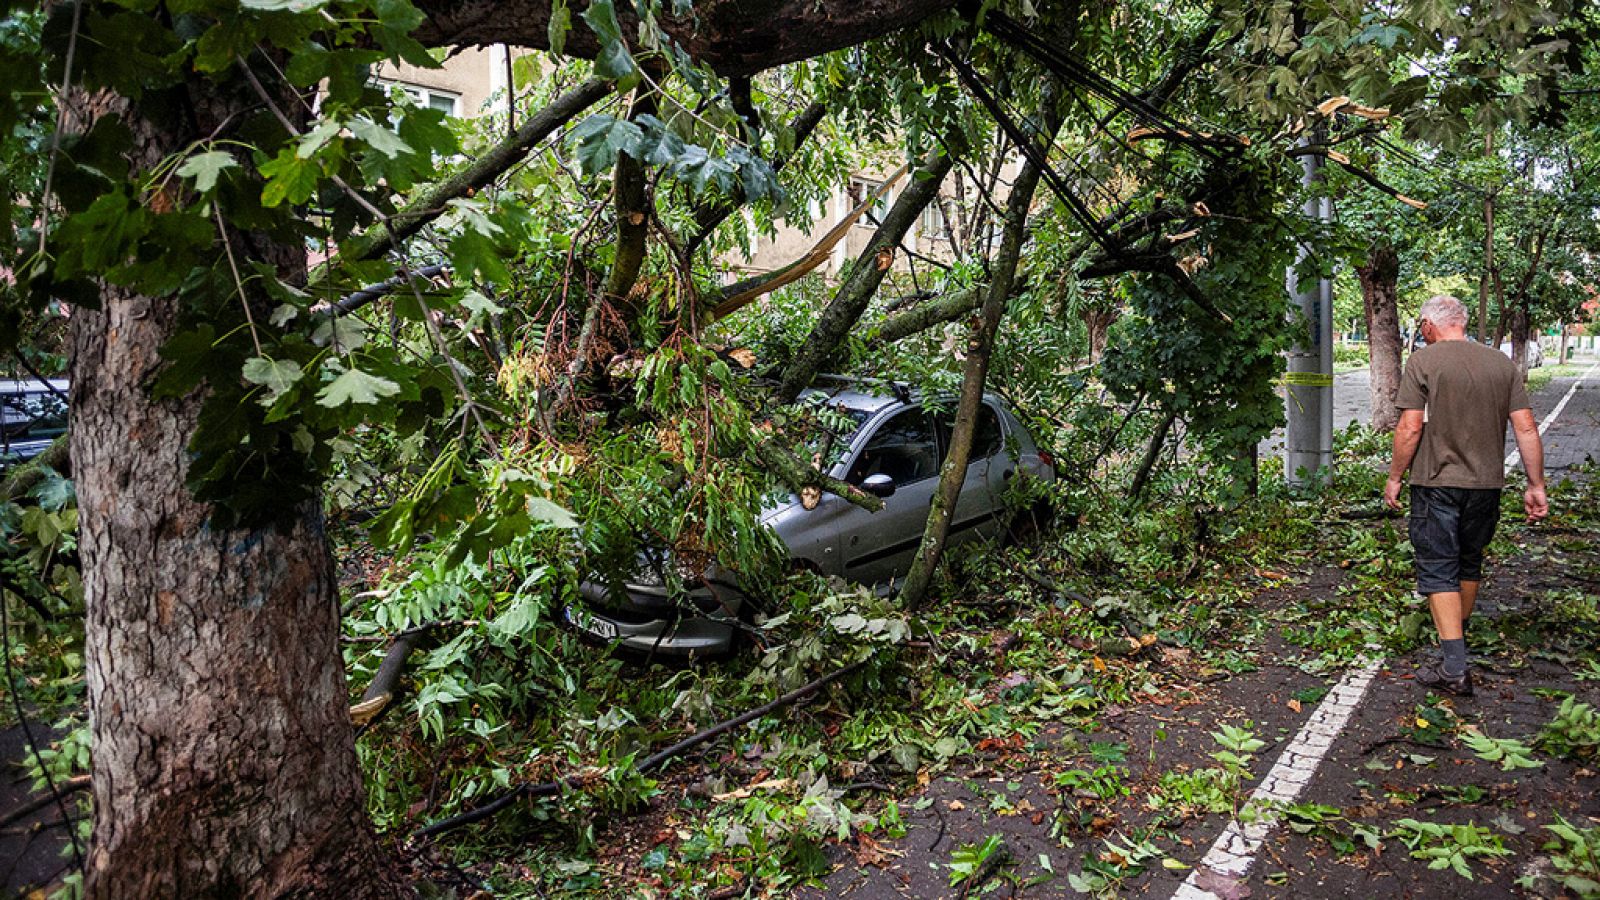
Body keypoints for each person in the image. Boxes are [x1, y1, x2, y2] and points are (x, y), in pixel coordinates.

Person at [1383, 295, 1548, 696]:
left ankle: (1454, 667)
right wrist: (1536, 485)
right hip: (1486, 485)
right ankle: (1457, 640)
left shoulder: (1423, 362)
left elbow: (1409, 428)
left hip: (1436, 483)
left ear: (1427, 325)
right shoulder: (1500, 363)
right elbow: (1526, 428)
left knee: (1438, 566)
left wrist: (1394, 477)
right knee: (1468, 561)